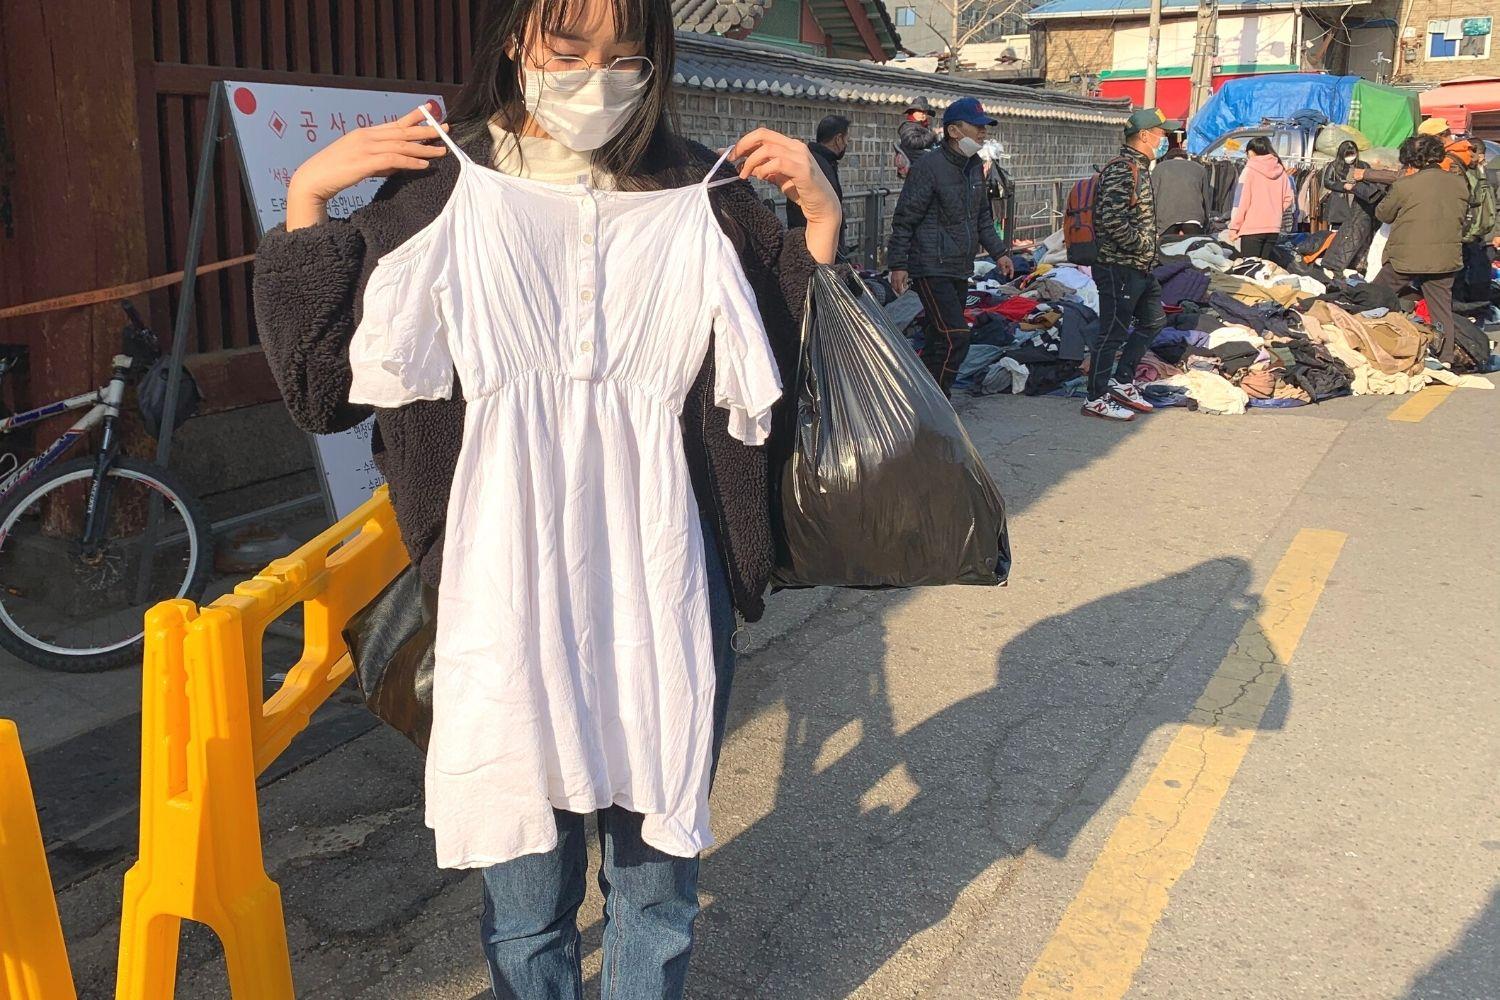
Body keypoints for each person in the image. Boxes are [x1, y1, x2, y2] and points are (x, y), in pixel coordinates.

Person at [250, 1, 842, 996]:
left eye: (626, 55)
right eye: (568, 48)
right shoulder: (445, 190)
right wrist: (309, 198)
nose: (595, 74)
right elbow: (321, 389)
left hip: (666, 585)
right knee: (526, 906)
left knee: (654, 894)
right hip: (502, 595)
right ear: (517, 40)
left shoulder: (702, 193)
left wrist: (817, 222)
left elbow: (787, 381)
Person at [887, 96, 1013, 397]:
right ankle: (938, 403)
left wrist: (1000, 253)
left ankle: (923, 402)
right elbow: (905, 218)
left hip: (959, 266)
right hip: (931, 265)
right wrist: (898, 264)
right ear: (954, 131)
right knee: (956, 336)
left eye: (985, 129)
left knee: (938, 339)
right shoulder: (929, 167)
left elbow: (983, 217)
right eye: (977, 128)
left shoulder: (973, 167)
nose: (983, 134)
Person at [1081, 107, 1179, 422]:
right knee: (1111, 332)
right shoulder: (1123, 169)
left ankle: (1122, 379)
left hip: (1138, 266)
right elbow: (1111, 221)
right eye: (1162, 133)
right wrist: (1144, 246)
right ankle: (1094, 397)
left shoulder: (1139, 167)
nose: (1165, 139)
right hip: (1118, 265)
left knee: (1153, 321)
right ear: (1144, 136)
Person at [1375, 133, 1469, 366]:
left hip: (1406, 257)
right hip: (1446, 257)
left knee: (1374, 295)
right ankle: (1445, 357)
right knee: (1441, 308)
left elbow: (1383, 213)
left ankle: (1374, 343)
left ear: (1410, 159)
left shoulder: (1404, 185)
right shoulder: (1459, 183)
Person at [787, 114, 848, 254]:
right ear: (838, 139)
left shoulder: (818, 160)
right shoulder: (818, 166)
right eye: (846, 139)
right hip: (816, 245)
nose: (846, 144)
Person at [1224, 136, 1293, 260]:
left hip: (1252, 228)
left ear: (1252, 151)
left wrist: (1234, 227)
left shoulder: (1249, 170)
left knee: (1250, 269)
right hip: (1273, 228)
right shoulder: (1280, 170)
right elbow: (1289, 198)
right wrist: (1275, 211)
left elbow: (1241, 202)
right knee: (1264, 270)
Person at [1152, 145, 1211, 237]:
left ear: (1167, 158)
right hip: (1194, 218)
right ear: (1186, 158)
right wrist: (1206, 223)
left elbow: (1153, 195)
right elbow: (1206, 198)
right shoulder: (1200, 169)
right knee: (1193, 249)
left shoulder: (1159, 168)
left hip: (1166, 219)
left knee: (1168, 249)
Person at [898, 96, 940, 162]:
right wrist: (932, 134)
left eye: (925, 112)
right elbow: (914, 143)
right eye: (920, 111)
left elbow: (932, 142)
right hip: (916, 161)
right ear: (913, 112)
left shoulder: (925, 126)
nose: (923, 114)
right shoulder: (907, 126)